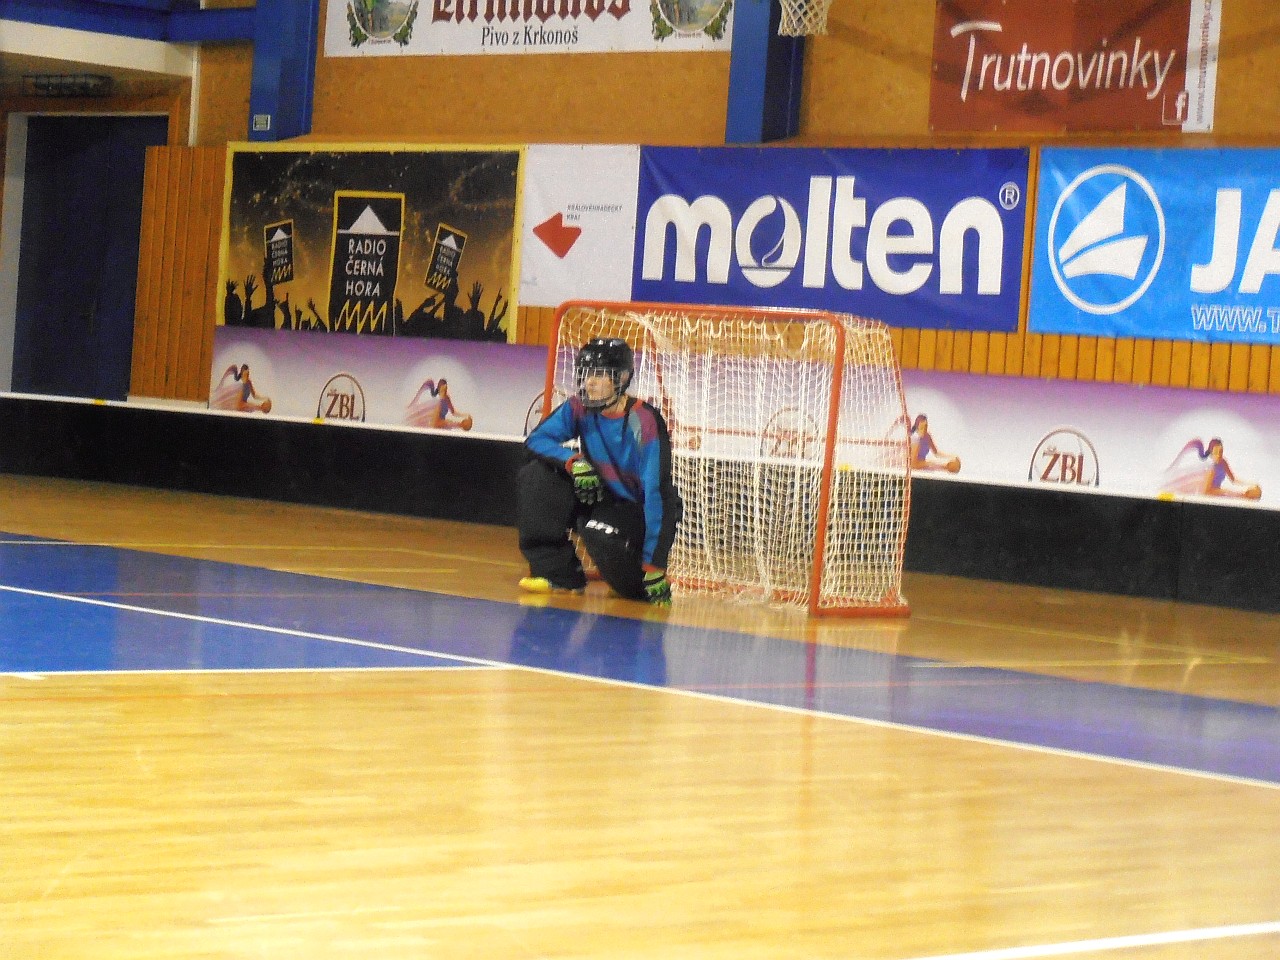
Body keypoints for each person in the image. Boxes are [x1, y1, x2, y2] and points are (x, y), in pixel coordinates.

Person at [517, 337, 682, 606]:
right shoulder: (578, 407)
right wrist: (574, 461)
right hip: (601, 497)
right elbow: (536, 440)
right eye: (585, 374)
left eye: (598, 375)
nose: (589, 383)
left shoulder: (645, 420)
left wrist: (654, 566)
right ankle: (558, 573)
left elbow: (656, 494)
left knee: (598, 533)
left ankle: (635, 582)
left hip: (637, 509)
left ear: (621, 378)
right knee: (536, 476)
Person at [1161, 437, 1261, 500]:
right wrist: (1237, 494)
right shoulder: (1211, 468)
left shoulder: (1223, 461)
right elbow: (1207, 492)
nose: (1219, 454)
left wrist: (1251, 484)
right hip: (1210, 495)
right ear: (1211, 453)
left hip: (1218, 492)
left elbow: (1234, 480)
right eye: (1217, 452)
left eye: (1221, 451)